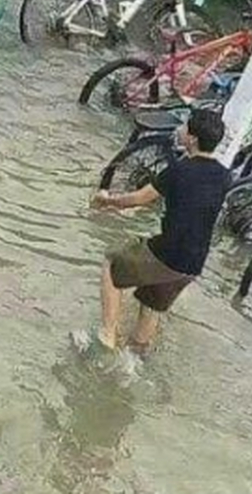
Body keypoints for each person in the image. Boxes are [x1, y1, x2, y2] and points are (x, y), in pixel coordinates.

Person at [90, 108, 229, 353]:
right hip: (193, 264)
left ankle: (108, 335)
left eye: (186, 127)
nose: (182, 130)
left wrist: (107, 200)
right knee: (150, 303)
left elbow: (139, 198)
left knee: (112, 265)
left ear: (193, 138)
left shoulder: (179, 170)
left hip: (168, 252)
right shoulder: (224, 176)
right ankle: (136, 357)